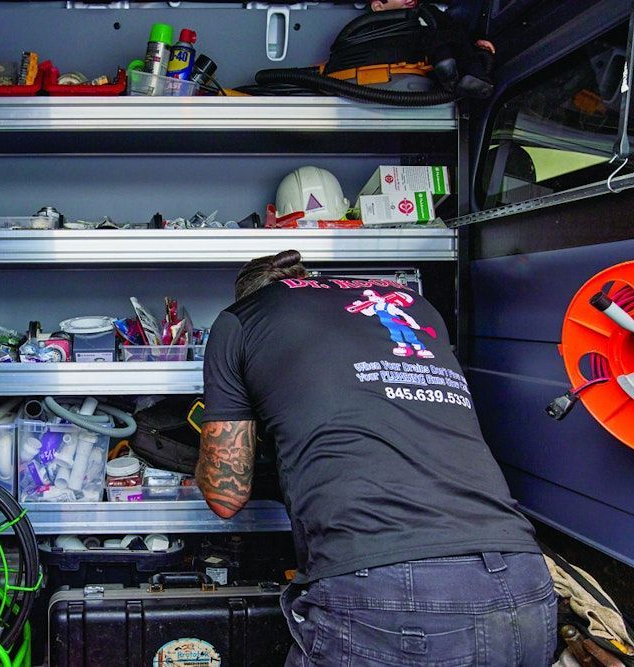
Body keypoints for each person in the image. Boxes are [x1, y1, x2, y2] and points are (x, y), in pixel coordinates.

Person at [195, 250, 556, 665]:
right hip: (525, 584)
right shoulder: (414, 303)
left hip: (389, 594)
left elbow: (226, 495)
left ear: (249, 293)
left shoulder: (241, 318)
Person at [371, 0, 496, 98]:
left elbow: (456, 31)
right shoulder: (368, 31)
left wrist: (474, 42)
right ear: (378, 6)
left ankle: (471, 77)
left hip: (429, 71)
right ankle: (450, 64)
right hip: (394, 72)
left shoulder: (425, 16)